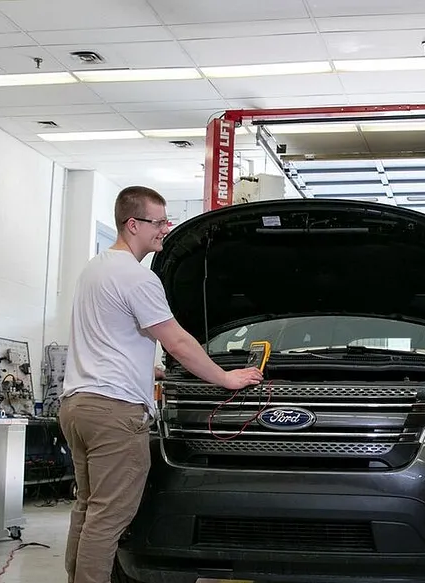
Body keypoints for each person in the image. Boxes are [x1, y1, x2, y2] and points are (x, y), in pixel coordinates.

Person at [59, 185, 263, 583]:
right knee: (109, 517)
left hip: (78, 406)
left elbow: (106, 338)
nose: (165, 229)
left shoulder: (94, 268)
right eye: (158, 221)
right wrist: (225, 376)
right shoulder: (137, 277)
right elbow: (178, 341)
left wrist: (148, 371)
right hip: (115, 414)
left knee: (88, 507)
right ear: (132, 224)